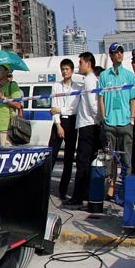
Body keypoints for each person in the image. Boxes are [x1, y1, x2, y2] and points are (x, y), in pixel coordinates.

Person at [99, 42, 135, 198]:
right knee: (109, 158)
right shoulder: (103, 76)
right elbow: (100, 97)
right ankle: (111, 187)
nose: (119, 54)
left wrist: (132, 118)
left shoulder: (129, 75)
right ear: (111, 55)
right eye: (116, 52)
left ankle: (127, 188)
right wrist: (103, 117)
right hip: (109, 123)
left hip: (125, 122)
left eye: (121, 51)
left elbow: (134, 98)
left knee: (127, 157)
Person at [65, 52, 101, 207]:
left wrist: (96, 121)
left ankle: (79, 196)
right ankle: (84, 193)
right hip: (87, 124)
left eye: (80, 62)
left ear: (88, 63)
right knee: (84, 162)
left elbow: (94, 105)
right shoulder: (90, 80)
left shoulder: (90, 81)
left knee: (82, 162)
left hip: (88, 125)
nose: (79, 65)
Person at [48, 59, 81, 199]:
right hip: (58, 122)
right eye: (63, 69)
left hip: (71, 121)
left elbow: (73, 108)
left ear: (72, 70)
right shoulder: (56, 86)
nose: (64, 71)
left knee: (68, 158)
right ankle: (44, 185)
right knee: (51, 155)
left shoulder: (78, 87)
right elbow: (53, 106)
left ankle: (63, 190)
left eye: (67, 69)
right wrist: (58, 124)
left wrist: (60, 109)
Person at [0, 64, 23, 146]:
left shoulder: (12, 85)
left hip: (6, 126)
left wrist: (4, 99)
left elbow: (18, 105)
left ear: (6, 71)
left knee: (5, 152)